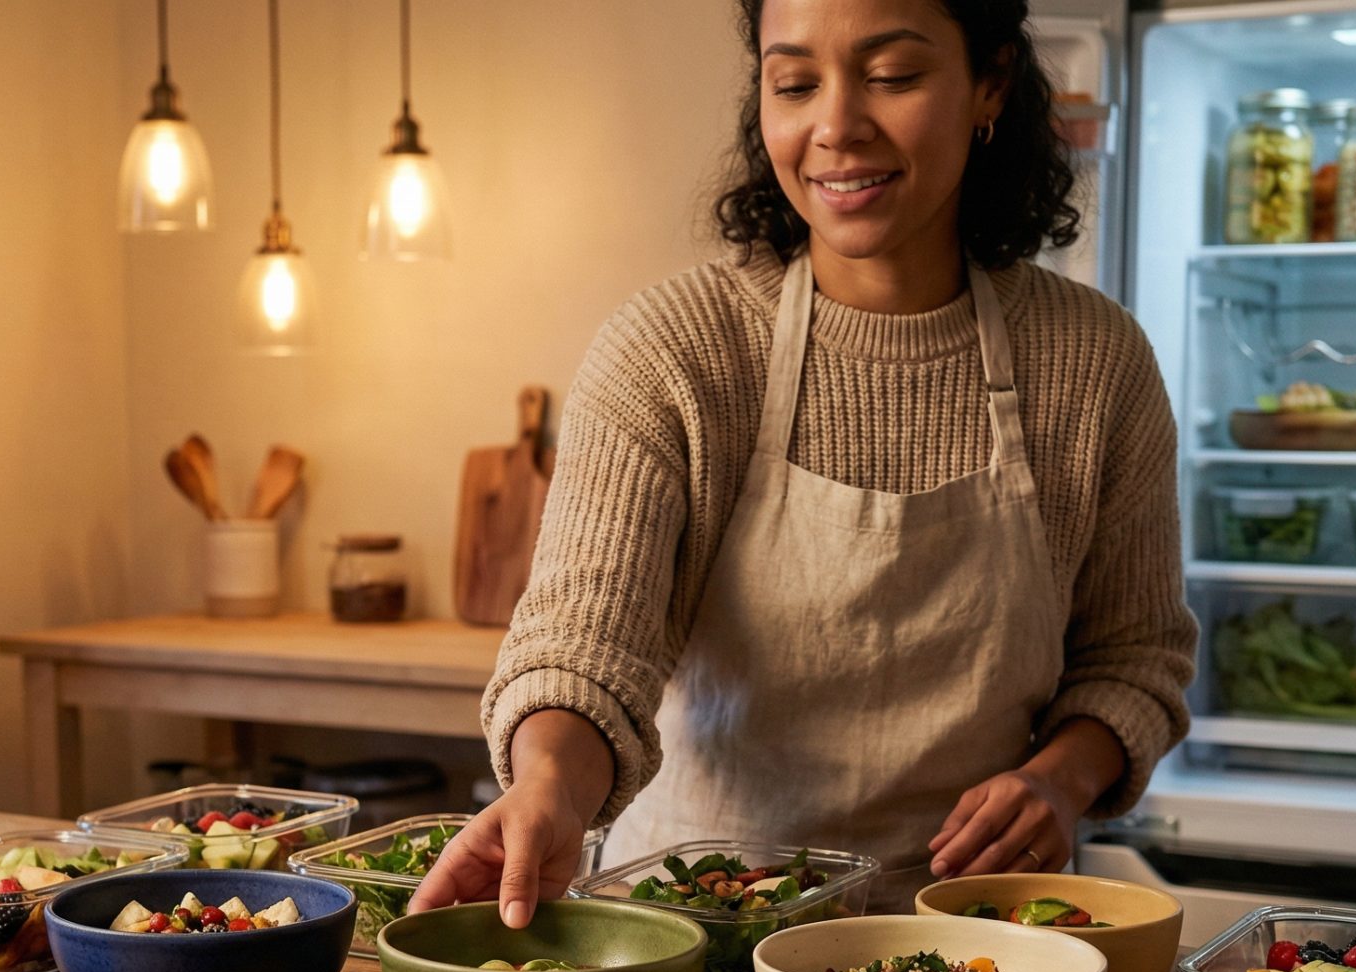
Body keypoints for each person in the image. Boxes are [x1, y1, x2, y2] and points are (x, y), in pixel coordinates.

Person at [413, 0, 1194, 925]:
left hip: (969, 956)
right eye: (794, 84)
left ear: (988, 84)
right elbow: (583, 651)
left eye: (893, 76)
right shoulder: (674, 350)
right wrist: (549, 785)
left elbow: (1133, 659)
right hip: (691, 946)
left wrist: (1061, 782)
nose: (834, 127)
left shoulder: (1095, 362)